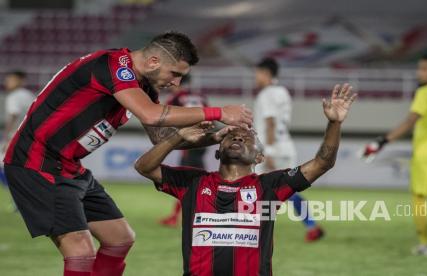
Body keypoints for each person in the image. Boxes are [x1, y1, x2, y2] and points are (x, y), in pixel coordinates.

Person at [3, 31, 252, 276]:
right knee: (80, 249)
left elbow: (162, 139)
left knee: (120, 238)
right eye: (174, 74)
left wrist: (212, 138)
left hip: (69, 167)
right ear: (154, 61)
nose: (176, 83)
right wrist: (218, 112)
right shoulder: (113, 66)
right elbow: (151, 114)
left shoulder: (141, 86)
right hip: (36, 161)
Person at [135, 84, 356, 275]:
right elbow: (144, 167)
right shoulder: (193, 181)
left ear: (259, 157)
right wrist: (177, 137)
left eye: (249, 137)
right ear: (218, 150)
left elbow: (322, 163)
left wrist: (334, 123)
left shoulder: (270, 185)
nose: (239, 136)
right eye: (231, 135)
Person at [361, 54, 427, 259]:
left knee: (419, 199)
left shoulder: (425, 92)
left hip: (426, 152)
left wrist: (382, 141)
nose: (419, 73)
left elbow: (410, 121)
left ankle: (424, 245)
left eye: (423, 69)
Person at [253, 57, 324, 241]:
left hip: (271, 147)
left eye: (258, 73)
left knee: (260, 190)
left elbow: (270, 122)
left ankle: (262, 235)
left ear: (266, 73)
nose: (256, 77)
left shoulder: (266, 94)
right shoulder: (283, 91)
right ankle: (312, 226)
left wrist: (267, 151)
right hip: (286, 146)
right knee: (289, 189)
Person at [159, 75, 209, 227]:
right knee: (197, 179)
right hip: (203, 141)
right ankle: (190, 214)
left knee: (186, 180)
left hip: (188, 140)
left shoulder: (177, 97)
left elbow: (163, 115)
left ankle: (180, 216)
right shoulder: (201, 96)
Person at [0, 71, 35, 209]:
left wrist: (7, 138)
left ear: (19, 80)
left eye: (11, 80)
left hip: (16, 137)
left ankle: (20, 200)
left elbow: (13, 116)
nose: (7, 82)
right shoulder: (29, 95)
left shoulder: (14, 96)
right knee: (22, 170)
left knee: (7, 168)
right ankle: (22, 199)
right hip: (30, 138)